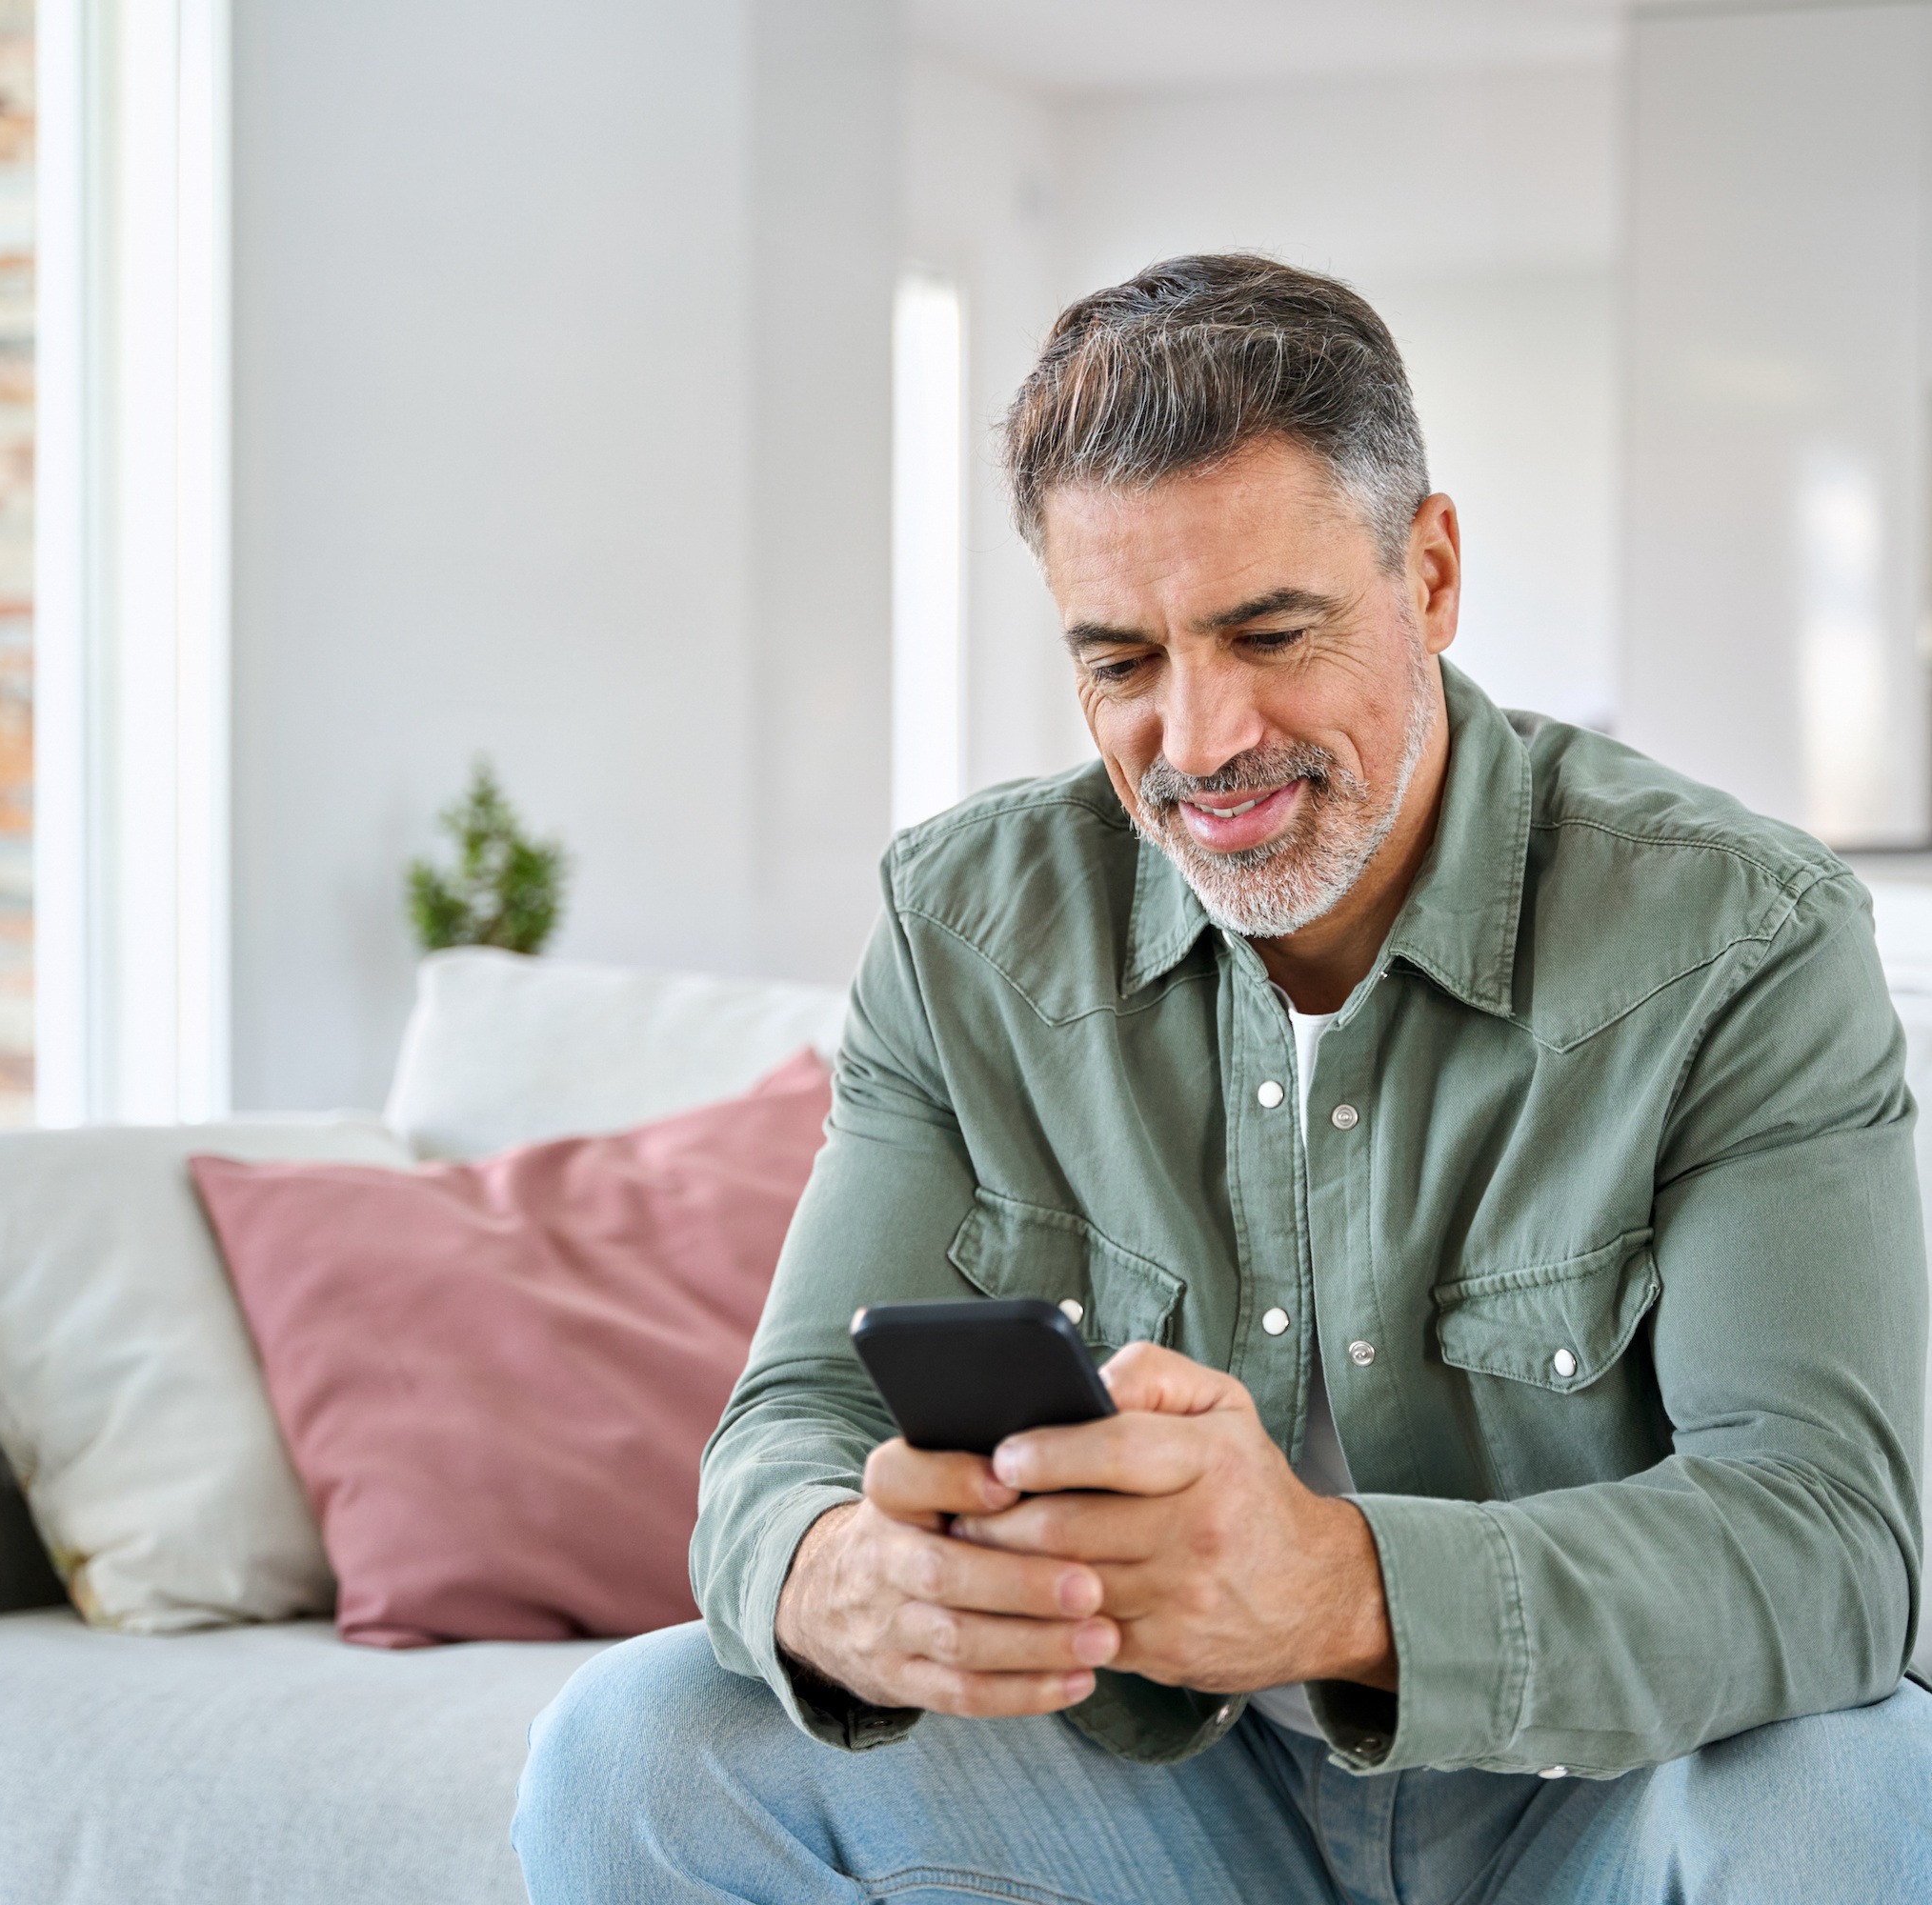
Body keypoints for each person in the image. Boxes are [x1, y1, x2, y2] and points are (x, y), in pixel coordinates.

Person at [513, 254, 1932, 1902]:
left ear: (1432, 570)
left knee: (1857, 1778)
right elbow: (789, 1430)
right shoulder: (962, 928)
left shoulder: (1736, 934)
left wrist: (1333, 1586)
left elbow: (1832, 1547)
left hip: (1596, 1800)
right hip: (1155, 1800)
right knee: (638, 1747)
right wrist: (830, 1576)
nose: (1198, 741)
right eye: (1120, 662)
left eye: (1270, 631)